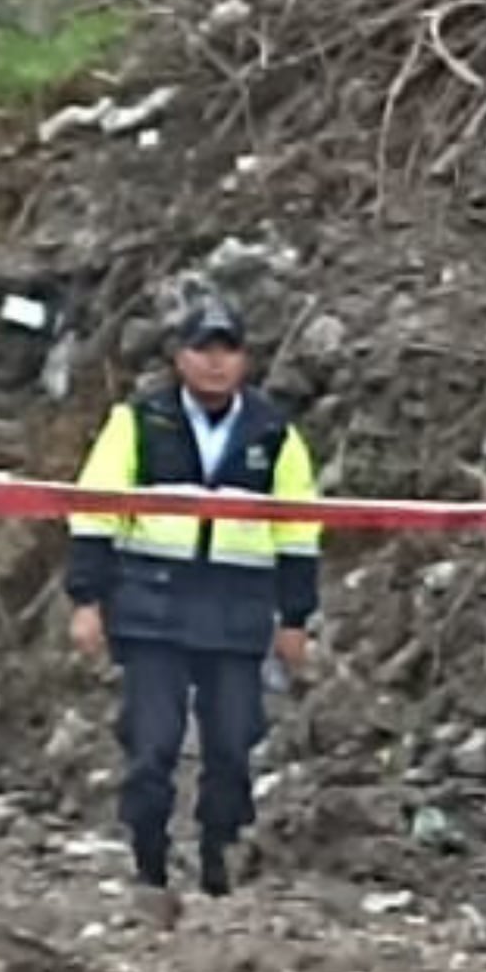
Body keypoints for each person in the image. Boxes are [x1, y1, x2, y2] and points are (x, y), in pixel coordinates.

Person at [62, 296, 322, 896]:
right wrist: (86, 600)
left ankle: (217, 862)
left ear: (245, 360)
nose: (214, 363)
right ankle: (148, 864)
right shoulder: (139, 421)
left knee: (232, 746)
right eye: (202, 349)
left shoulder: (273, 432)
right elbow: (95, 510)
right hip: (153, 608)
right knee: (151, 748)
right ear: (179, 357)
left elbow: (300, 527)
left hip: (237, 613)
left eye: (227, 350)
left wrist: (295, 617)